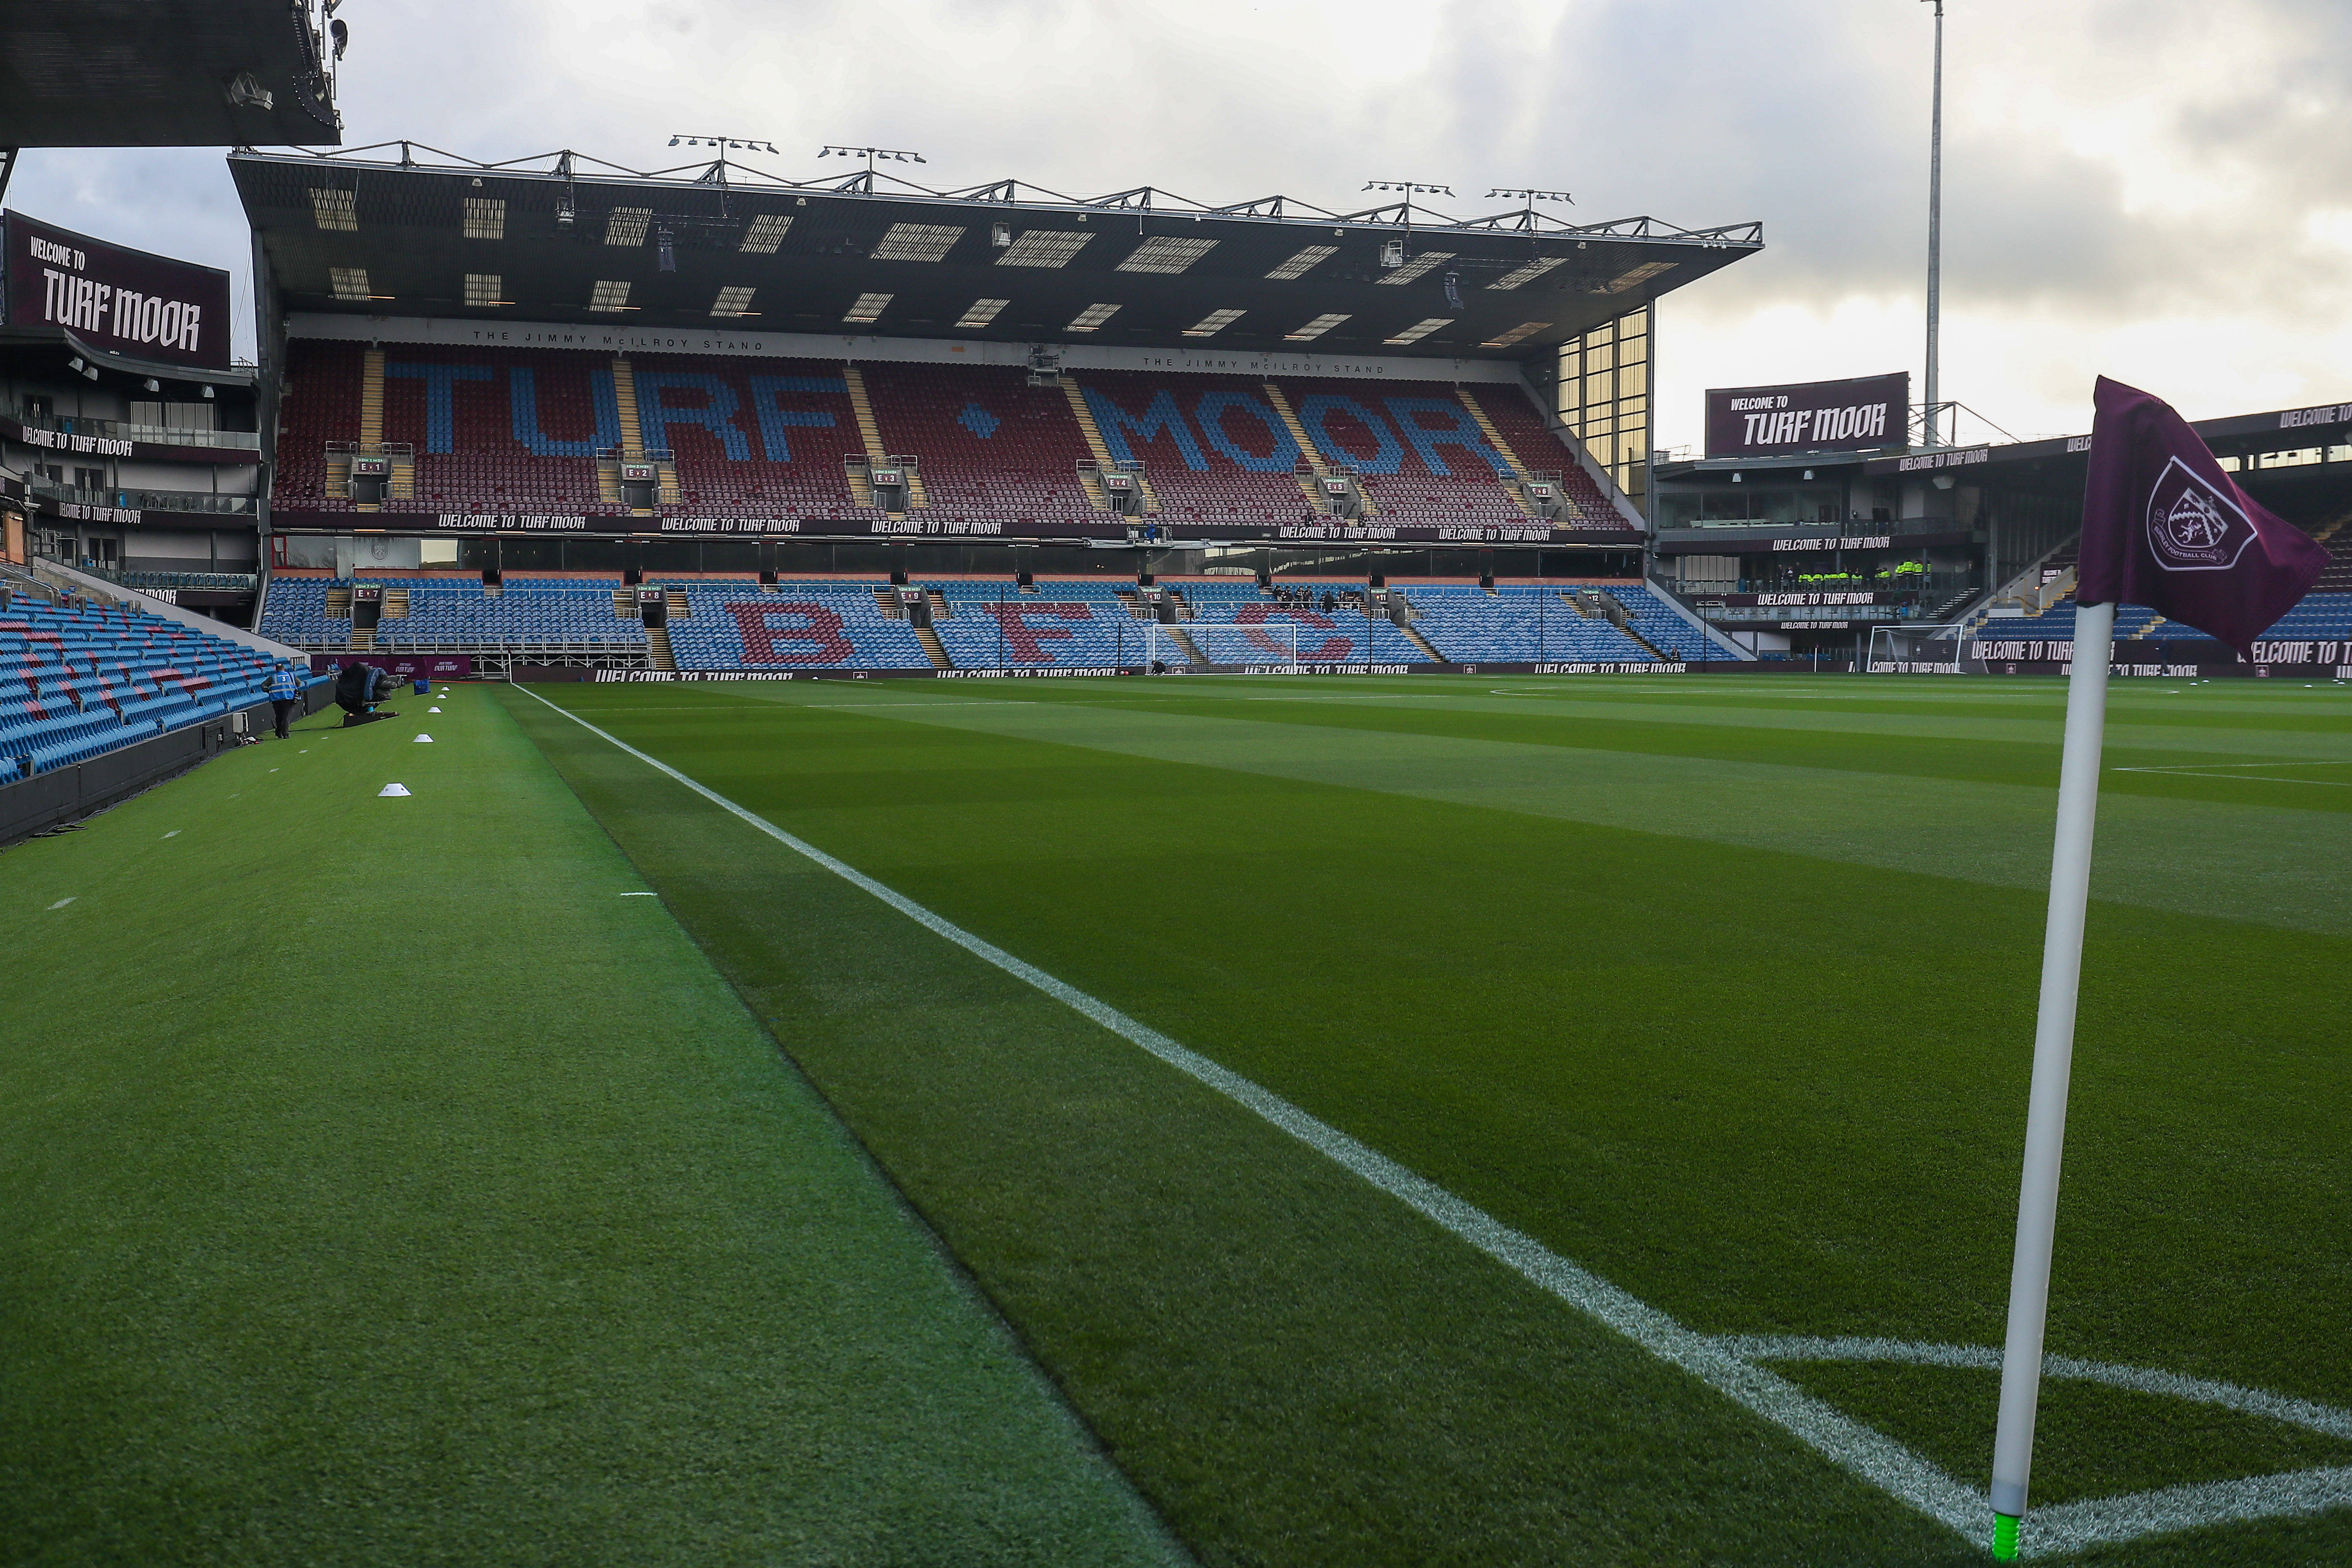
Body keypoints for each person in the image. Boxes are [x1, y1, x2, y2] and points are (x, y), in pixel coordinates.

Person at [333, 660, 401, 727]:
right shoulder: (361, 675)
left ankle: (397, 681)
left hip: (356, 701)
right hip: (354, 702)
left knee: (383, 684)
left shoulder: (368, 674)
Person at [266, 660, 304, 739]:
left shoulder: (273, 677)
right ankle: (285, 734)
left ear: (276, 670)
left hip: (277, 700)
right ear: (284, 669)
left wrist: (269, 691)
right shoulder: (291, 675)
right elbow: (299, 683)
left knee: (279, 717)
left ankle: (279, 732)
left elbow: (263, 686)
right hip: (290, 699)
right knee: (287, 717)